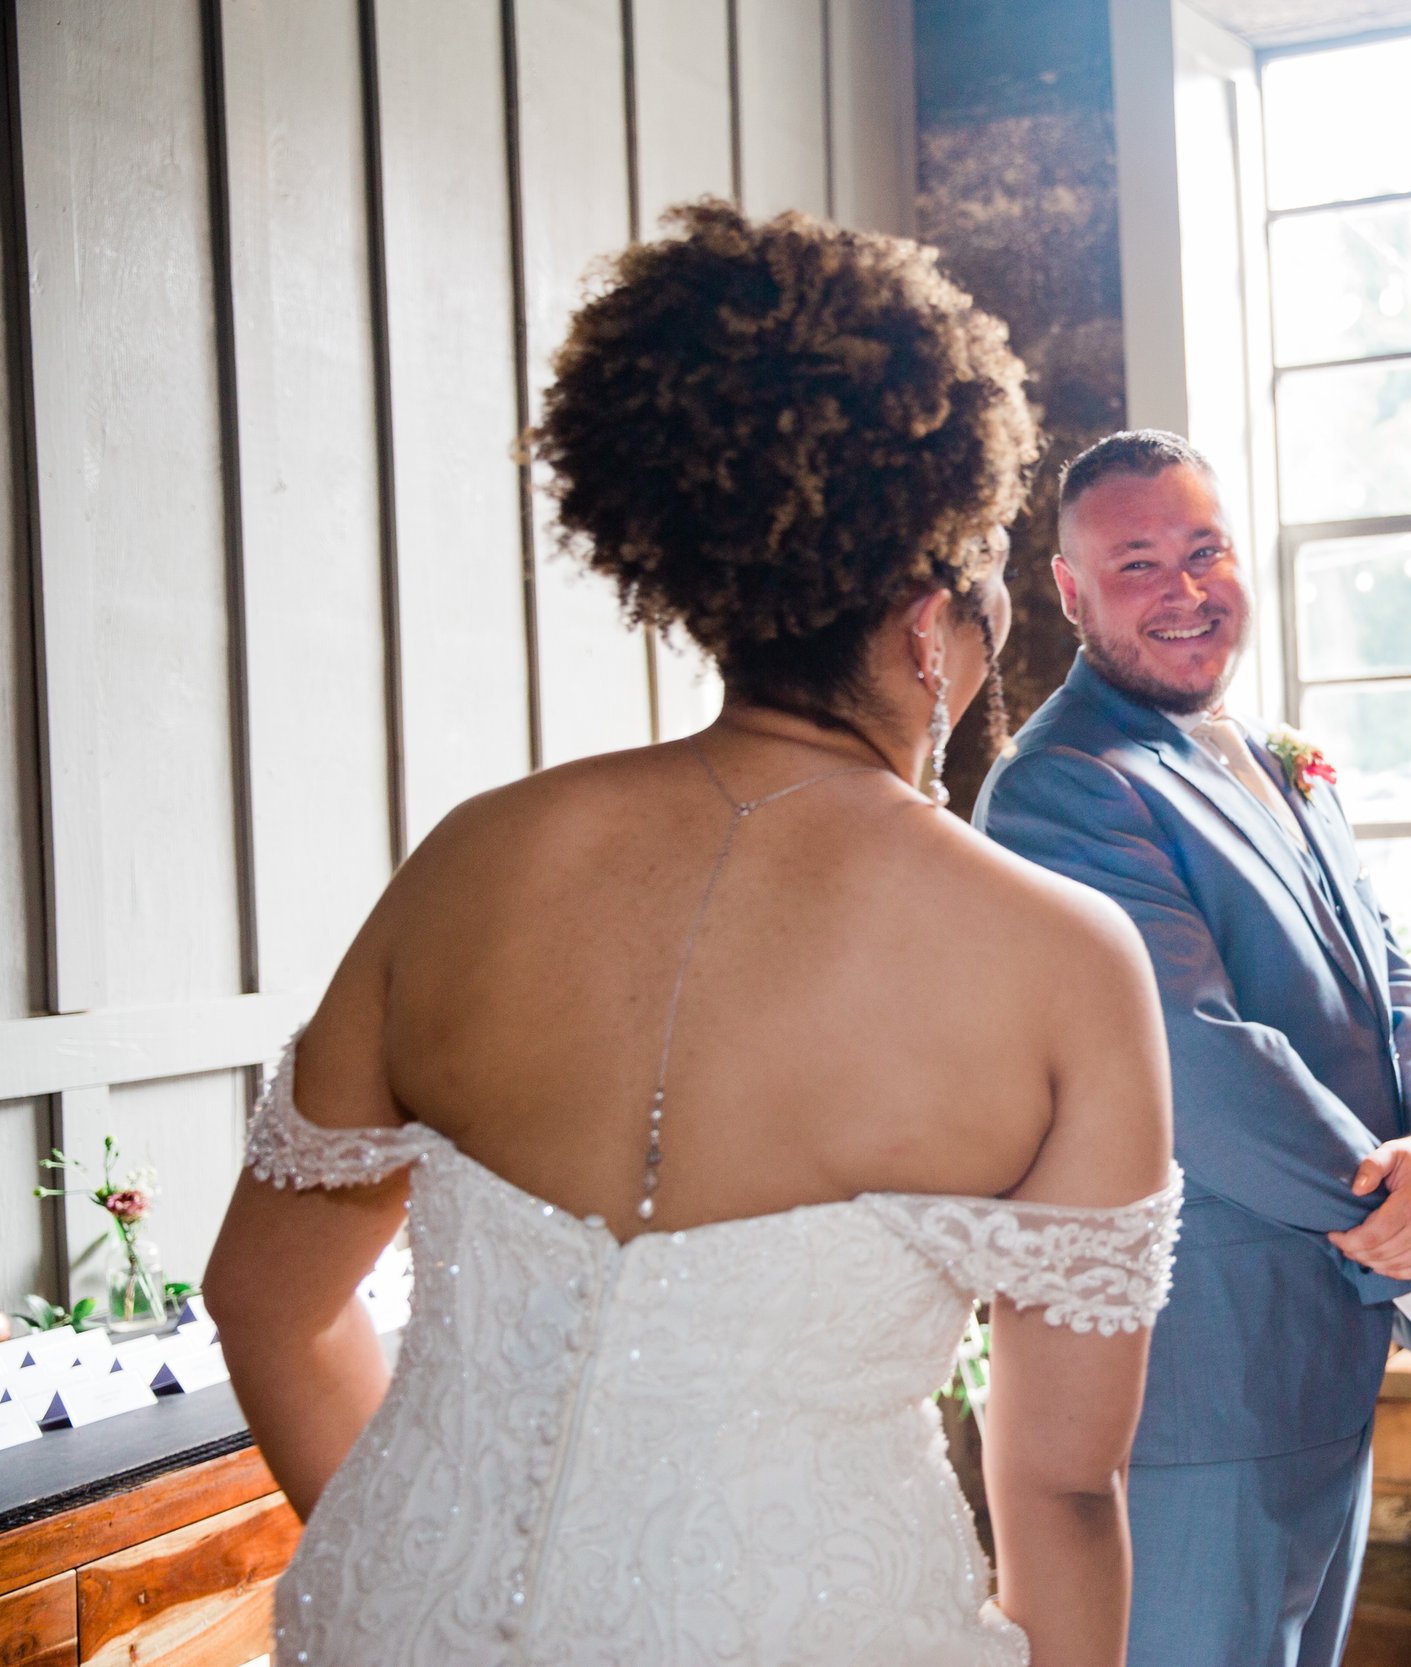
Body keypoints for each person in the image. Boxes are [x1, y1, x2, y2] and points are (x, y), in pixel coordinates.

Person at [204, 202, 1179, 1667]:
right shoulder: (1063, 958)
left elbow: (264, 1301)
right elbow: (1061, 1483)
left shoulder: (477, 856)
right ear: (933, 619)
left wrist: (416, 1555)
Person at [975, 429, 1411, 1667]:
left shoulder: (1285, 760)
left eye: (1204, 549)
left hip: (1320, 1349)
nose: (1184, 589)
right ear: (1068, 592)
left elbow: (1395, 969)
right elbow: (1198, 1060)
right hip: (1204, 1375)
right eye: (1137, 563)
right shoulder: (1064, 785)